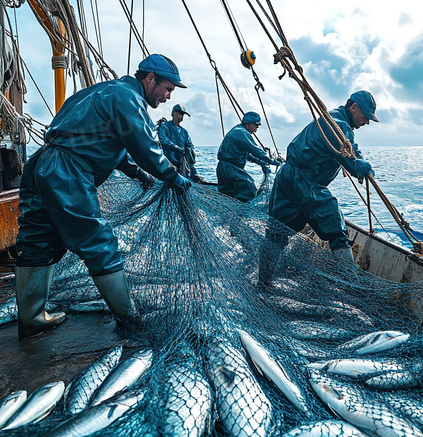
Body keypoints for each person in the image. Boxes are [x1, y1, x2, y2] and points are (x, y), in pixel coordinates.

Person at [14, 54, 192, 338]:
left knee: (37, 238)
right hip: (67, 171)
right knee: (100, 243)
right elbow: (144, 146)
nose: (168, 97)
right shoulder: (127, 98)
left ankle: (32, 316)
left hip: (42, 164)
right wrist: (173, 176)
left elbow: (111, 143)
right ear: (150, 79)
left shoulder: (99, 91)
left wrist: (139, 174)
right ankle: (128, 318)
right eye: (168, 88)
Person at [262, 90, 377, 284]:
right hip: (305, 182)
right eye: (365, 115)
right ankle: (353, 287)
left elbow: (351, 148)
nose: (366, 121)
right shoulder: (339, 126)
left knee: (277, 233)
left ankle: (263, 284)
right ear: (354, 107)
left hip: (286, 177)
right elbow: (352, 164)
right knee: (335, 224)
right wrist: (364, 167)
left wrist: (358, 157)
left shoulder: (333, 119)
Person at [216, 111, 280, 202]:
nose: (256, 129)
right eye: (256, 126)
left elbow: (248, 155)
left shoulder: (237, 131)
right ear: (249, 124)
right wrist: (272, 161)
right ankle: (245, 215)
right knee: (249, 189)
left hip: (224, 168)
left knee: (227, 196)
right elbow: (256, 151)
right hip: (231, 169)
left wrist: (261, 163)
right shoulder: (241, 133)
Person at [157, 103, 205, 182]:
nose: (181, 116)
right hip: (166, 166)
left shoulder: (184, 132)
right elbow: (164, 141)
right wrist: (178, 149)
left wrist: (188, 151)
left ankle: (194, 175)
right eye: (179, 113)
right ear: (173, 113)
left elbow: (190, 146)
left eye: (183, 114)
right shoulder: (164, 126)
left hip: (181, 168)